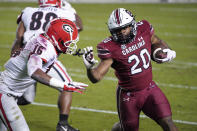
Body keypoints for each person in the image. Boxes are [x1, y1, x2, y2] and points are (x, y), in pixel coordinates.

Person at [82, 8, 178, 131]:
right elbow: (96, 77)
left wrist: (164, 51)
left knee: (168, 123)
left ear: (132, 25)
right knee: (126, 129)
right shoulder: (109, 47)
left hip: (150, 89)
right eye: (117, 30)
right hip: (129, 96)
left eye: (125, 28)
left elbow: (156, 42)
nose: (121, 32)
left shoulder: (143, 28)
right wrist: (89, 68)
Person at [0, 18, 87, 131]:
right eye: (68, 43)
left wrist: (79, 53)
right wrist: (63, 85)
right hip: (5, 92)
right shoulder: (45, 47)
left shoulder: (45, 40)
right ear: (56, 39)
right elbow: (34, 72)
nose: (70, 45)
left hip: (9, 90)